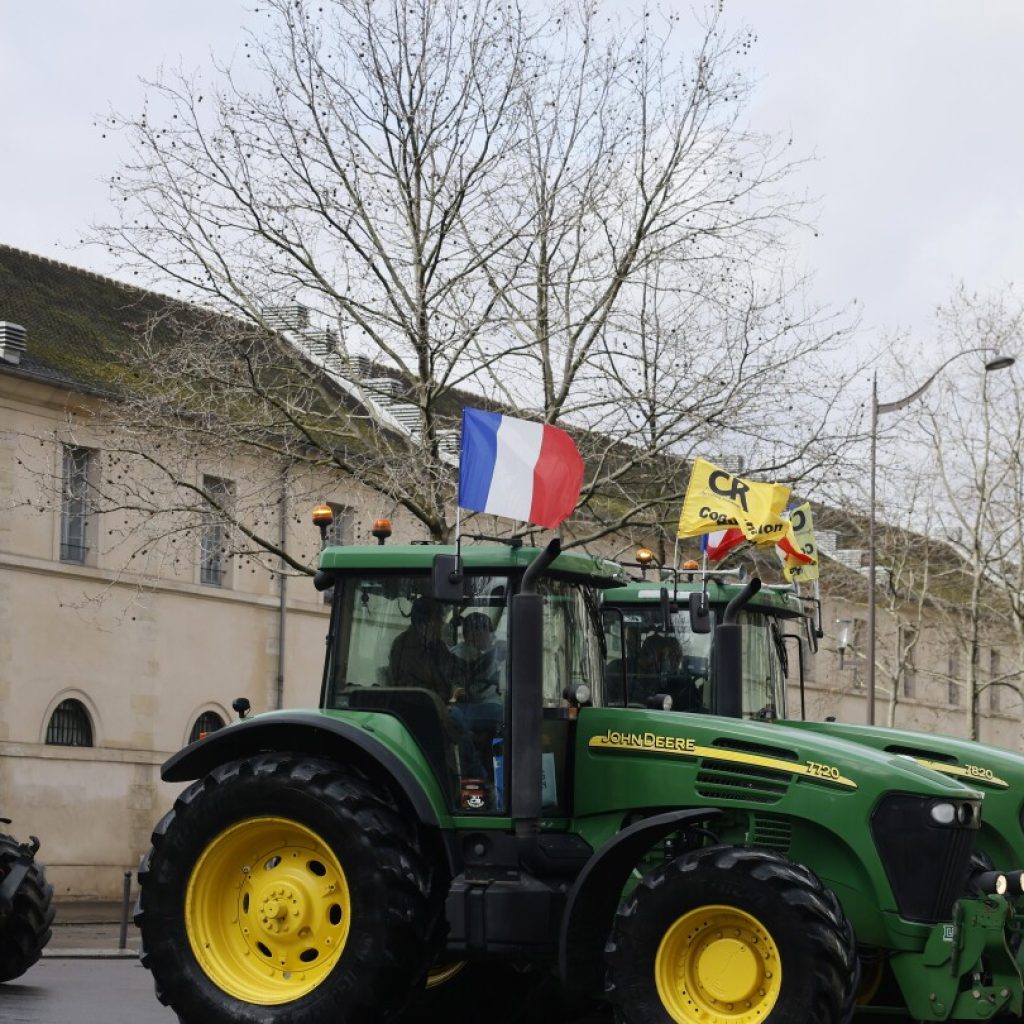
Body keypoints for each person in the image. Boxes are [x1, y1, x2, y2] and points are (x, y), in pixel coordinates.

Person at [388, 597, 464, 701]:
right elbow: (407, 688)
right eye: (439, 618)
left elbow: (453, 666)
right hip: (416, 707)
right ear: (424, 623)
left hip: (440, 703)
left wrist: (471, 667)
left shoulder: (436, 645)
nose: (442, 623)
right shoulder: (403, 647)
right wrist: (441, 695)